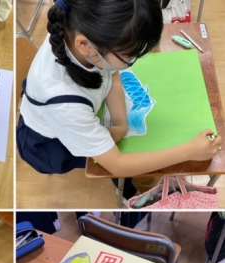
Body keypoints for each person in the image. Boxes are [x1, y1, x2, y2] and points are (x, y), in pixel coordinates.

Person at [17, 0, 221, 198]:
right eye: (130, 57)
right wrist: (189, 152)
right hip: (47, 145)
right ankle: (128, 192)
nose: (134, 61)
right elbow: (117, 164)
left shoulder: (82, 30)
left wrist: (121, 124)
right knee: (124, 165)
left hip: (74, 114)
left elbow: (111, 74)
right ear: (85, 45)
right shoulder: (65, 104)